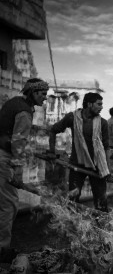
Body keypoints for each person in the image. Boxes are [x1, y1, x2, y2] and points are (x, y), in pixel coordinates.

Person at [0, 78, 48, 248]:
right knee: (9, 204)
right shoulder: (24, 111)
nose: (45, 97)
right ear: (34, 93)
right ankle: (2, 248)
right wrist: (18, 171)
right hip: (4, 158)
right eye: (43, 94)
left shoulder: (14, 102)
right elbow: (18, 142)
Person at [49, 92, 110, 212]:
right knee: (72, 201)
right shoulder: (72, 117)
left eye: (102, 104)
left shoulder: (103, 122)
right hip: (77, 165)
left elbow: (106, 147)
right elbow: (53, 130)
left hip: (98, 167)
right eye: (98, 104)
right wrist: (51, 151)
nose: (101, 107)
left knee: (101, 202)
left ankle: (101, 226)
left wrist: (107, 168)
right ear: (89, 104)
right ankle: (72, 227)